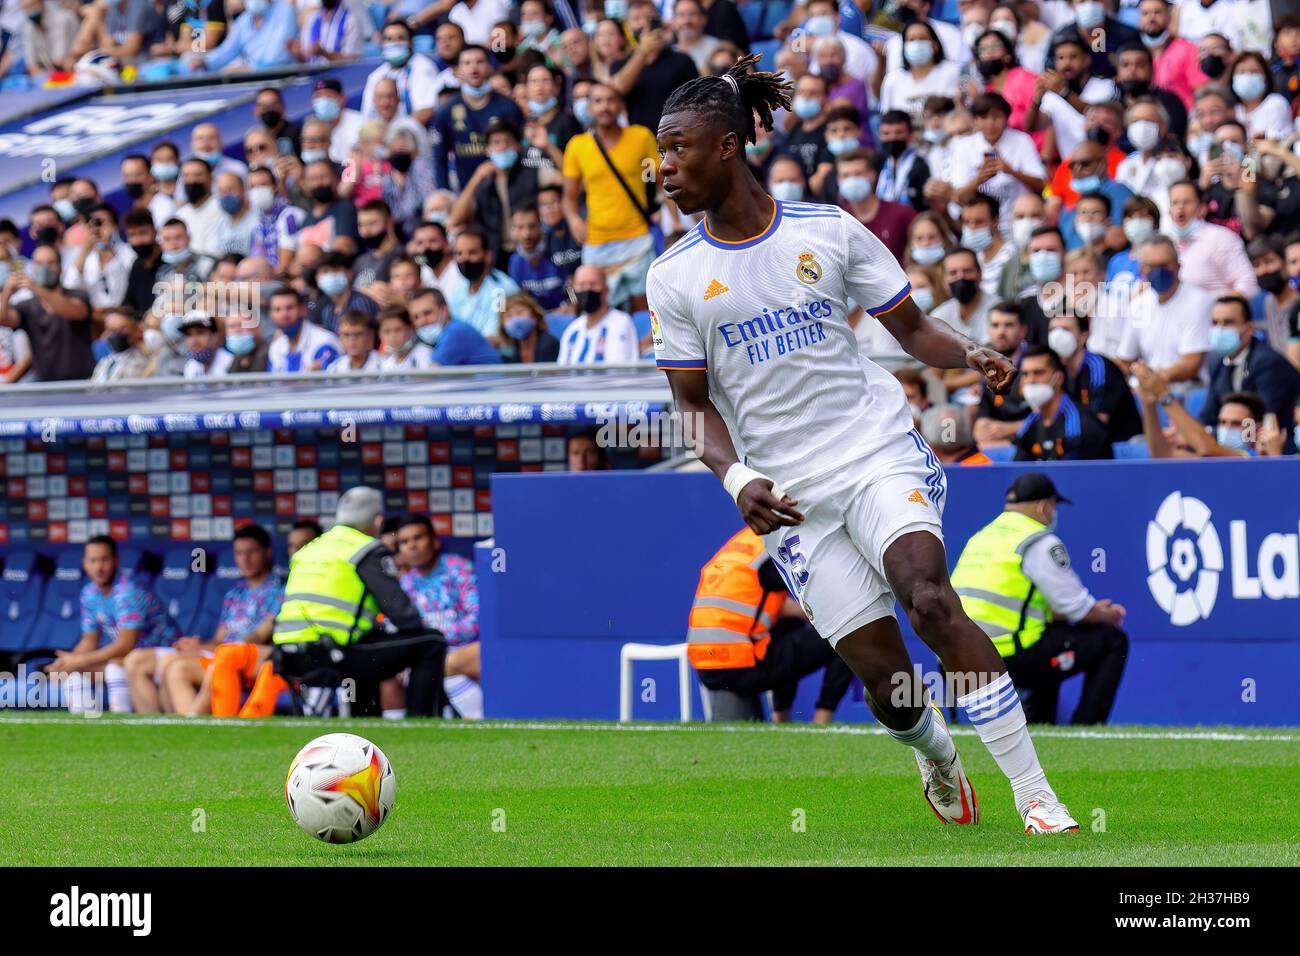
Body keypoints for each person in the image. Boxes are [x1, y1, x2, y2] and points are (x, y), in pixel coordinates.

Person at [649, 56, 1078, 832]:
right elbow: (689, 405)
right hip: (790, 496)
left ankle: (1037, 794)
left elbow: (912, 330)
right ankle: (937, 753)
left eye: (678, 148)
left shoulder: (827, 230)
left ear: (728, 146)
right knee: (886, 680)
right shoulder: (674, 276)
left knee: (929, 597)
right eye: (660, 149)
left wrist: (970, 350)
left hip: (878, 449)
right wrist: (735, 476)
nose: (664, 166)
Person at [951, 473, 1128, 725]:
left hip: (960, 658)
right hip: (1009, 658)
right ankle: (1087, 730)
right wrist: (1108, 615)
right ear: (1044, 507)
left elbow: (1014, 604)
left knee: (1049, 632)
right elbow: (1076, 608)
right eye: (1054, 507)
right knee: (1112, 639)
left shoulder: (981, 537)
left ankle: (1040, 721)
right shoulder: (1038, 540)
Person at [271, 487, 448, 717]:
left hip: (288, 657)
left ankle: (364, 723)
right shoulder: (365, 549)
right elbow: (403, 614)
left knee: (369, 645)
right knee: (431, 641)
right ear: (378, 521)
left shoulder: (309, 549)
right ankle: (419, 724)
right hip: (333, 655)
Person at [687, 527, 853, 723]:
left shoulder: (746, 544)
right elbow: (820, 596)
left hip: (708, 664)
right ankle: (822, 721)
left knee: (789, 626)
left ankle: (781, 718)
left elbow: (772, 604)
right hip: (741, 664)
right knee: (848, 633)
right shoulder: (781, 546)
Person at [159, 524, 286, 717]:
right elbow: (221, 637)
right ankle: (182, 726)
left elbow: (260, 635)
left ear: (267, 553)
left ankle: (192, 726)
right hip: (223, 654)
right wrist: (198, 645)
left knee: (206, 666)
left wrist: (217, 650)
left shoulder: (279, 591)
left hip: (251, 660)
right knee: (173, 666)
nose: (246, 559)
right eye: (240, 553)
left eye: (252, 552)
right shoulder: (235, 593)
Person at [48, 536, 179, 715]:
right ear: (85, 564)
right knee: (74, 674)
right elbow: (89, 641)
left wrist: (78, 661)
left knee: (113, 668)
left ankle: (120, 726)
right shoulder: (89, 593)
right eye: (93, 561)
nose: (99, 567)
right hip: (131, 658)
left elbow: (126, 644)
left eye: (104, 560)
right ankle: (80, 732)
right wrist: (65, 663)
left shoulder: (128, 592)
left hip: (165, 654)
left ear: (116, 561)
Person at [561, 82, 659, 312]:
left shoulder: (641, 136)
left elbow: (663, 180)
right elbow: (569, 195)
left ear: (621, 105)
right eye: (597, 101)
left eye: (610, 100)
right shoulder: (577, 146)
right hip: (596, 240)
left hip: (637, 237)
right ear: (590, 107)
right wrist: (574, 220)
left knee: (644, 309)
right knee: (595, 308)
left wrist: (670, 217)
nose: (604, 106)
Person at [396, 515, 483, 719]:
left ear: (434, 541)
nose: (412, 545)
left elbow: (478, 620)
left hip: (469, 649)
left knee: (440, 663)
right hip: (432, 655)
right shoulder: (405, 584)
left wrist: (435, 639)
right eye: (404, 542)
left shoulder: (460, 568)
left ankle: (483, 722)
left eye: (418, 537)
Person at [1198, 294, 1300, 453]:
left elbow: (1263, 419)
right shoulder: (1216, 361)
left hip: (1279, 451)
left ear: (1249, 328)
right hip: (1239, 450)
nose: (1220, 329)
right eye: (1215, 323)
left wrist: (1214, 433)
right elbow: (1208, 416)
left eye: (1228, 322)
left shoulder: (1267, 362)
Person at [1116, 234, 1212, 385]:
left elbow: (1191, 364)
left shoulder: (1199, 301)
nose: (1158, 271)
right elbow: (1125, 359)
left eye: (1164, 265)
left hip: (1187, 388)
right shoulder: (1139, 303)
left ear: (1178, 266)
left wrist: (1151, 378)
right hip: (1148, 388)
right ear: (1142, 270)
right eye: (1151, 266)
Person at [0, 242, 94, 381]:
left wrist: (36, 287)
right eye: (39, 263)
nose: (44, 268)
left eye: (50, 263)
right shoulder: (27, 306)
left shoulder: (77, 295)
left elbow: (72, 311)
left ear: (61, 267)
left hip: (81, 384)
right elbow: (3, 319)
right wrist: (7, 292)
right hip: (45, 387)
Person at [1047, 311, 1143, 444]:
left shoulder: (1099, 368)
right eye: (1053, 330)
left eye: (1065, 329)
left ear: (1083, 336)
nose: (1057, 336)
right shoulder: (1056, 371)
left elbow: (1096, 424)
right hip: (1081, 442)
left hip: (1121, 446)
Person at [1013, 345, 1114, 460]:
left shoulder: (1080, 425)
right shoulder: (1031, 423)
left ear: (1059, 378)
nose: (1031, 380)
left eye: (1038, 373)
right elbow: (1017, 469)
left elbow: (1073, 474)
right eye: (1025, 374)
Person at [557, 264, 639, 363]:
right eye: (582, 285)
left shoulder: (620, 323)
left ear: (606, 289)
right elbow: (562, 370)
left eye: (593, 284)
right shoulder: (572, 330)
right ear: (575, 290)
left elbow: (618, 370)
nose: (587, 289)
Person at [265, 287, 340, 373]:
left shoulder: (324, 341)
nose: (284, 315)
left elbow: (333, 383)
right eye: (277, 309)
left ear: (303, 310)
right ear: (271, 315)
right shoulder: (276, 346)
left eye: (289, 308)